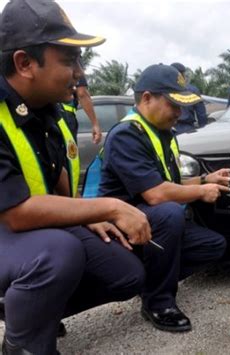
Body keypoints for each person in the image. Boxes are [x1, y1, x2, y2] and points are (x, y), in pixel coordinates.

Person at [0, 1, 152, 353]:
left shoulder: (46, 111)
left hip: (19, 232)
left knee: (125, 272)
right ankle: (25, 344)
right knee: (59, 252)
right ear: (24, 63)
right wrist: (109, 207)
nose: (79, 72)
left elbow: (54, 182)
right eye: (69, 61)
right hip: (12, 224)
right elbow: (16, 212)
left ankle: (26, 309)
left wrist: (86, 214)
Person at [99, 64, 230, 332]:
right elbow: (157, 194)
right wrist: (200, 191)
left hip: (152, 222)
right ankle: (158, 301)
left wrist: (207, 179)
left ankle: (149, 280)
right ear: (147, 98)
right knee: (170, 213)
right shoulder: (127, 135)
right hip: (122, 226)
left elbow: (169, 184)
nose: (179, 113)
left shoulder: (164, 134)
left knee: (213, 246)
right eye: (173, 105)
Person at [62, 69, 102, 144]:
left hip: (41, 113)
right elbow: (82, 93)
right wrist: (95, 124)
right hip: (65, 117)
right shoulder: (72, 59)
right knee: (68, 153)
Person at [170, 62, 207, 135]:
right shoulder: (193, 90)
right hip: (188, 130)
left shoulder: (164, 90)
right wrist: (203, 131)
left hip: (169, 130)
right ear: (183, 74)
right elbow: (201, 115)